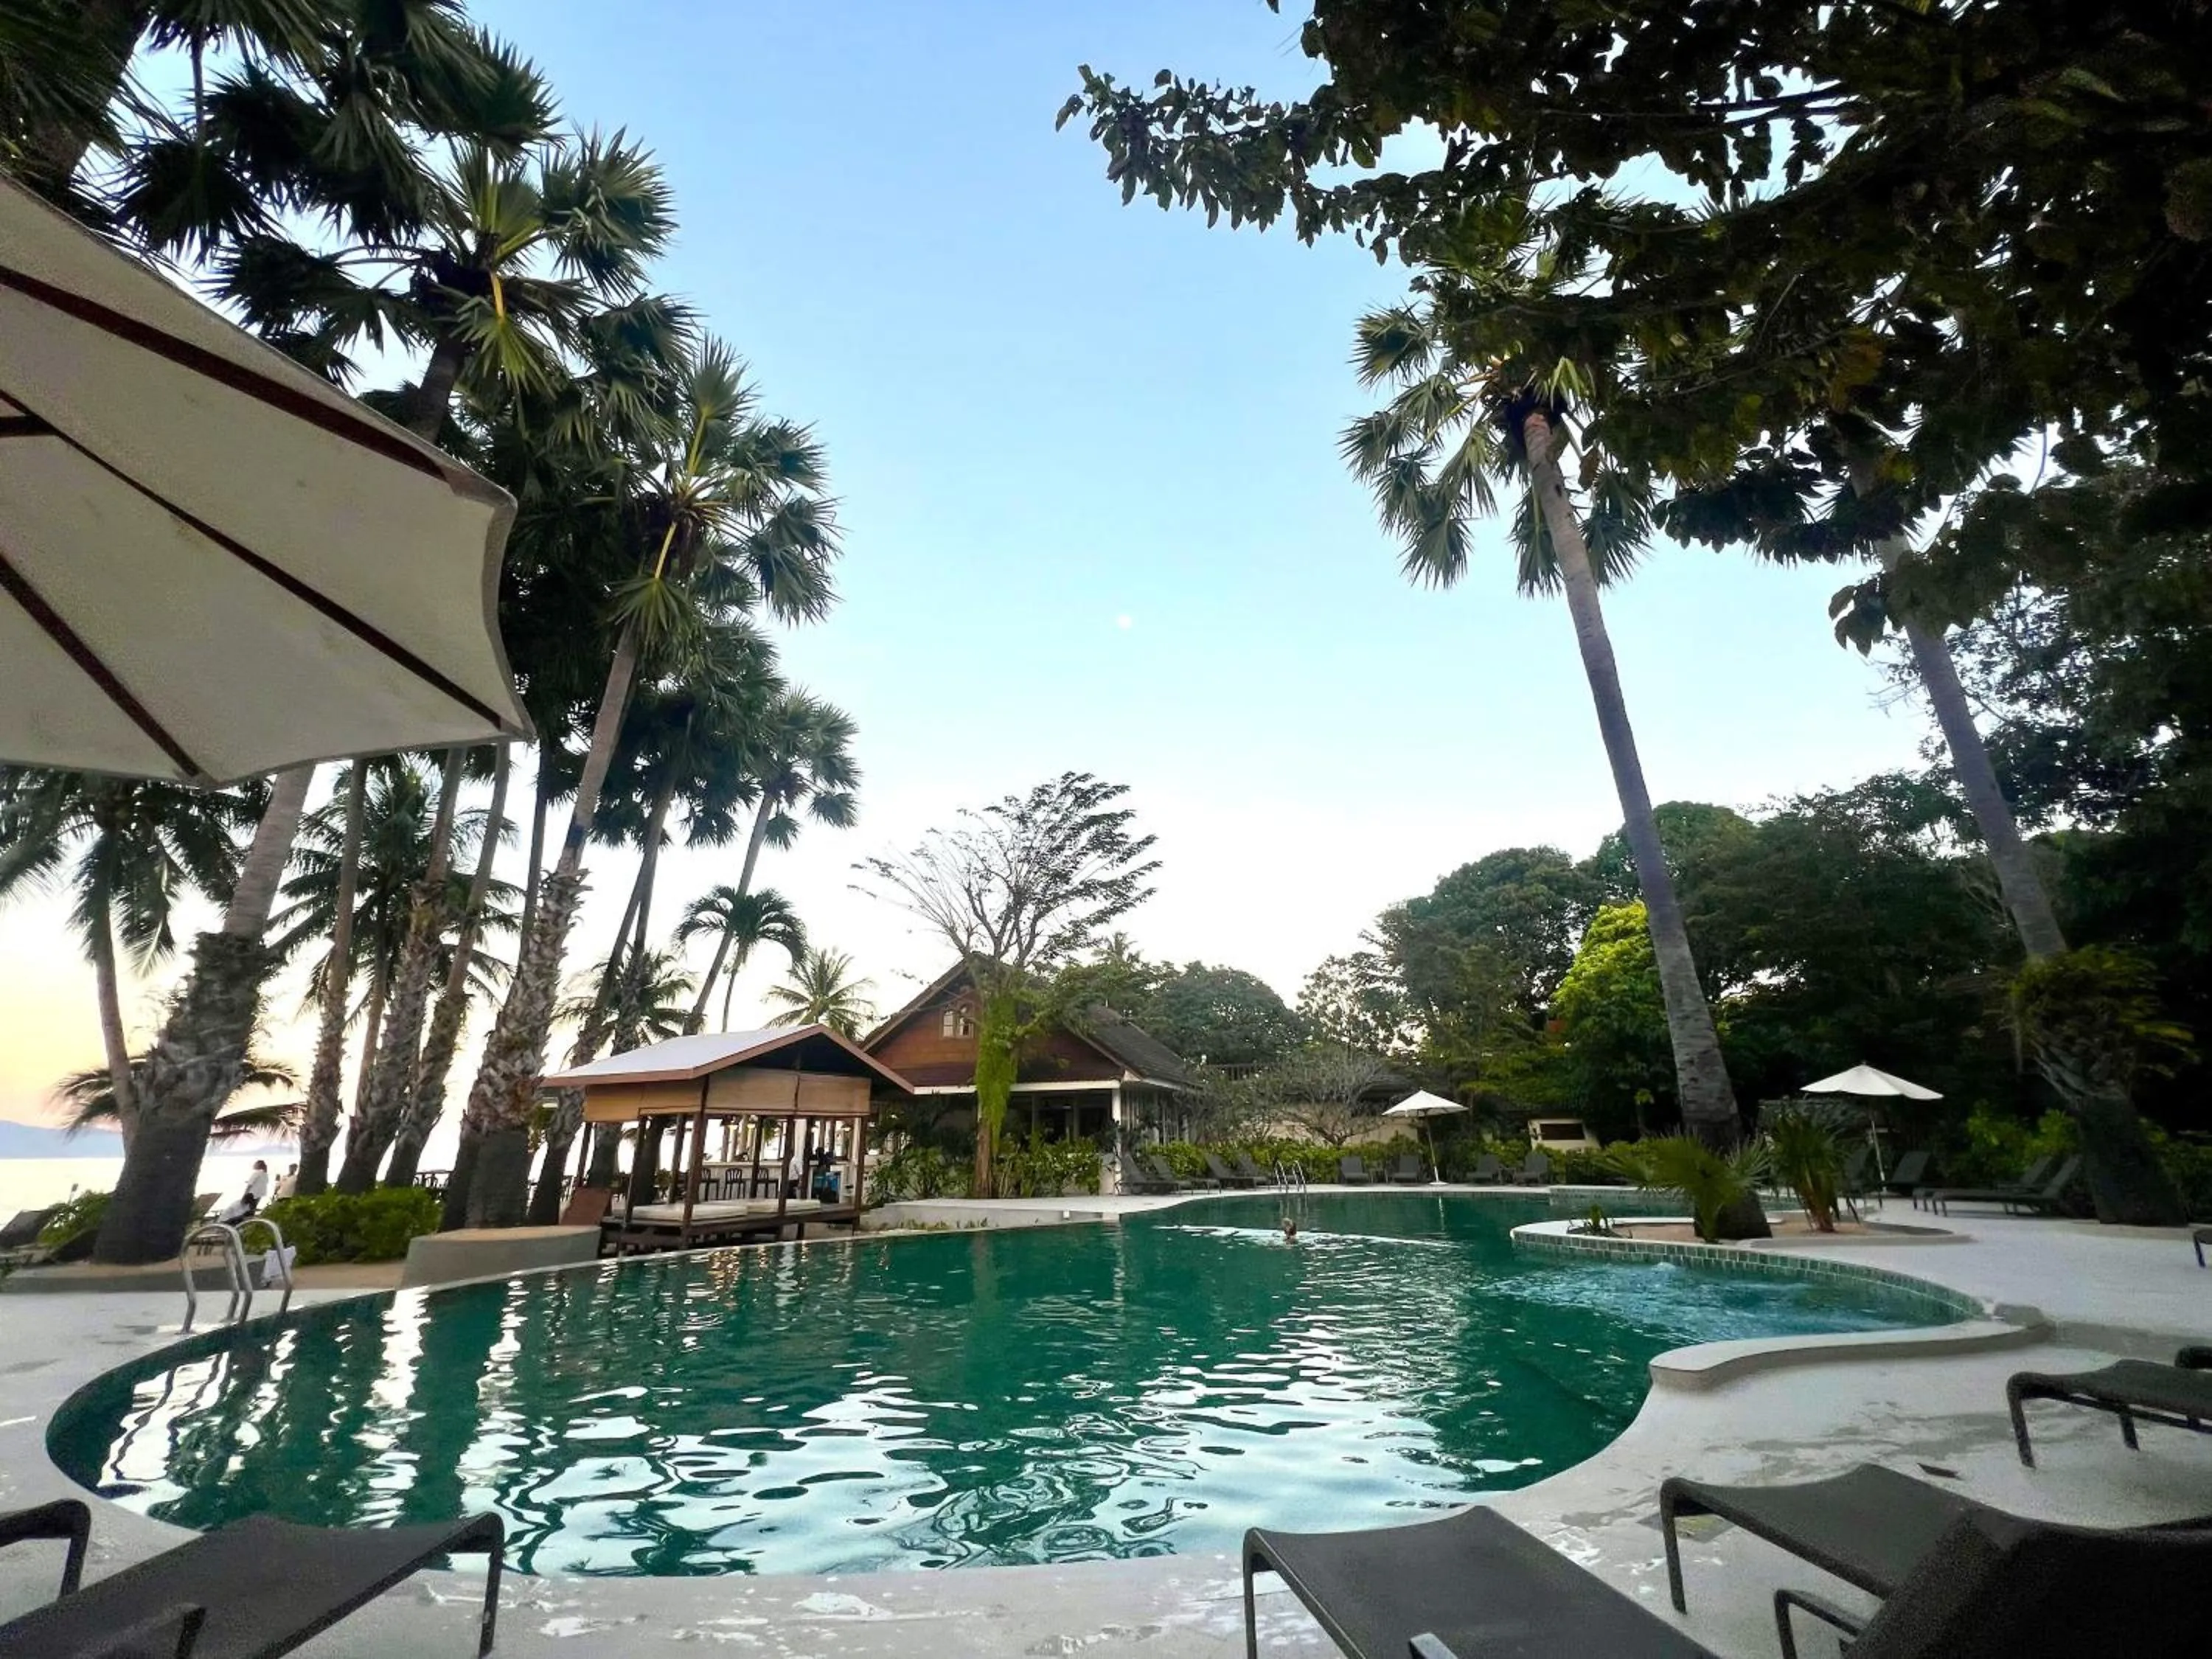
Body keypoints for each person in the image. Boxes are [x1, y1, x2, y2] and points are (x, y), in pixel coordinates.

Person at [218, 1160, 270, 1225]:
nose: (253, 1165)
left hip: (251, 1194)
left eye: (255, 1164)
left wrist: (244, 1195)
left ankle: (244, 1221)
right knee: (251, 1210)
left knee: (244, 1211)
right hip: (259, 1195)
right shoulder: (265, 1174)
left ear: (258, 1165)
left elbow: (249, 1185)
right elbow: (263, 1184)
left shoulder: (256, 1173)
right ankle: (249, 1222)